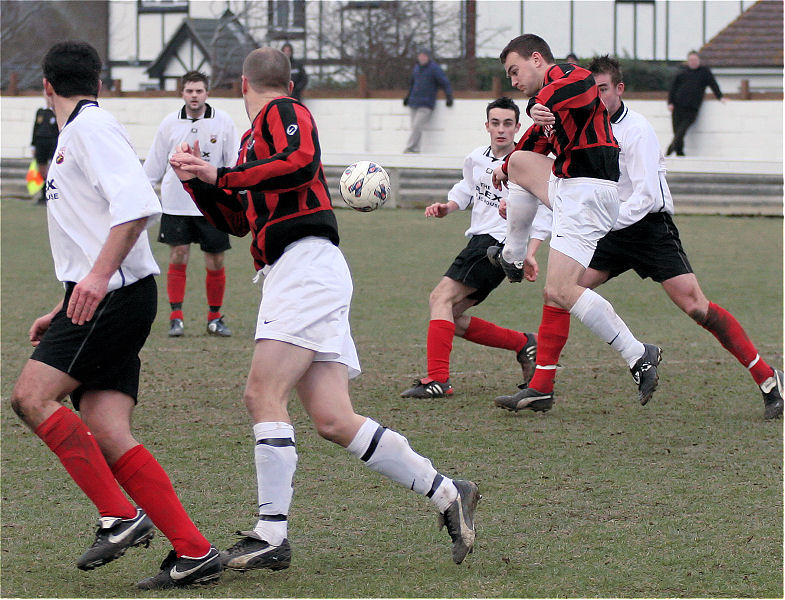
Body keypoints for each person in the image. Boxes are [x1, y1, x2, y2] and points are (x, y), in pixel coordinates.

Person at [168, 47, 479, 571]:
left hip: (306, 267)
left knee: (261, 393)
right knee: (334, 419)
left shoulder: (284, 112)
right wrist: (196, 181)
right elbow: (240, 221)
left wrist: (220, 174)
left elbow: (301, 164)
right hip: (303, 270)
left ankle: (271, 535)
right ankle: (449, 492)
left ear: (245, 83)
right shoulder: (250, 142)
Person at [9, 41, 222, 590]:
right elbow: (96, 228)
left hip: (115, 297)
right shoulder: (77, 133)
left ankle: (120, 516)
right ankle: (194, 551)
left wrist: (96, 280)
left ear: (46, 86)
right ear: (99, 82)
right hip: (108, 294)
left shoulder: (90, 129)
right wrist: (66, 299)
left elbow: (136, 207)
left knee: (31, 398)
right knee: (106, 428)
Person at [522, 54, 782, 420]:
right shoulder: (579, 127)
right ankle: (542, 387)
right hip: (609, 227)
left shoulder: (637, 129)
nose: (595, 97)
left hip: (647, 229)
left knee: (696, 306)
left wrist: (597, 221)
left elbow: (645, 197)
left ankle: (769, 378)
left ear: (619, 89)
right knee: (560, 289)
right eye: (589, 90)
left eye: (603, 90)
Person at [489, 34, 662, 413]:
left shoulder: (567, 76)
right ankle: (542, 388)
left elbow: (583, 84)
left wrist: (539, 102)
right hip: (578, 191)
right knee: (555, 291)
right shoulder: (548, 112)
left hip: (588, 190)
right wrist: (502, 169)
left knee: (564, 291)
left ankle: (638, 354)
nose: (514, 82)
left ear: (537, 59)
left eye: (515, 71)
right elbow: (529, 148)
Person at [400, 97, 537, 399]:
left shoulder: (526, 163)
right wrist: (447, 207)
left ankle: (438, 379)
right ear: (487, 126)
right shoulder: (476, 157)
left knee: (440, 298)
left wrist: (529, 250)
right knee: (452, 318)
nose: (501, 129)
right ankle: (523, 343)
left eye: (508, 124)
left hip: (496, 245)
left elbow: (542, 208)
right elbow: (466, 188)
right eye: (496, 123)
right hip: (478, 241)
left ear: (517, 127)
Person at [144, 70, 239, 338]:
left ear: (207, 93)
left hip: (212, 203)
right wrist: (141, 193)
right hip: (176, 204)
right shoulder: (168, 124)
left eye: (199, 91)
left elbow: (233, 162)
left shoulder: (224, 122)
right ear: (182, 93)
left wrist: (234, 196)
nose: (194, 96)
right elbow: (154, 164)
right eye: (189, 91)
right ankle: (176, 317)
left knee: (216, 260)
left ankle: (214, 318)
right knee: (178, 256)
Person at [666, 51, 726, 156]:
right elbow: (673, 88)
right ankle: (680, 153)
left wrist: (720, 97)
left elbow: (713, 85)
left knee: (681, 132)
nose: (693, 62)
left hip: (692, 109)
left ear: (699, 61)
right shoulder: (682, 72)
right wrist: (670, 102)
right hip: (678, 107)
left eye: (695, 60)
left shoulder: (704, 72)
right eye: (691, 60)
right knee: (677, 132)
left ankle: (668, 152)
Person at [403, 48, 453, 153]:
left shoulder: (434, 69)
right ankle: (415, 149)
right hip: (414, 101)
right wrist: (408, 96)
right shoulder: (416, 68)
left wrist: (448, 95)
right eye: (420, 56)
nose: (422, 58)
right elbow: (413, 84)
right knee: (415, 127)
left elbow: (444, 82)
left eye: (424, 56)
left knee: (417, 125)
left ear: (428, 57)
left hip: (426, 103)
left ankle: (410, 147)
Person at [30, 98, 59, 204]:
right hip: (40, 142)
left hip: (52, 142)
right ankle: (43, 194)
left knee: (52, 168)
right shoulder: (40, 111)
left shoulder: (56, 112)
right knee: (41, 168)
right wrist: (33, 145)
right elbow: (35, 127)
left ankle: (52, 194)